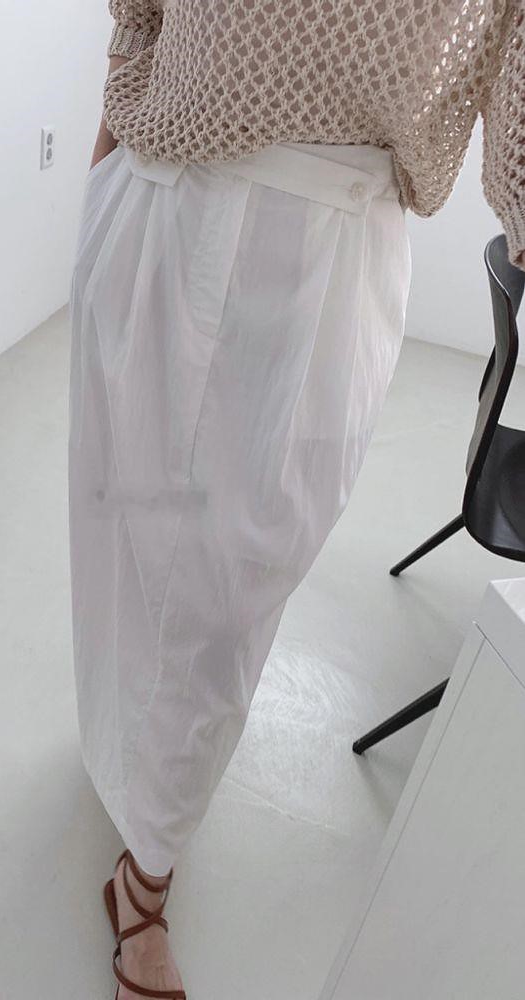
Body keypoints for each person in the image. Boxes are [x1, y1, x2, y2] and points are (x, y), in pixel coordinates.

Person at [67, 2, 525, 997]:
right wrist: (95, 191)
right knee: (119, 530)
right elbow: (140, 21)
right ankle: (119, 753)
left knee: (232, 587)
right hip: (154, 212)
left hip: (328, 256)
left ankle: (146, 867)